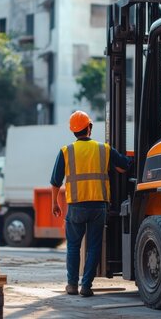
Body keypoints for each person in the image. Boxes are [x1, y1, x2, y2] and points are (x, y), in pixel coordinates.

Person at [50, 110, 130, 297]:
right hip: (98, 205)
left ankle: (71, 285)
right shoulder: (104, 149)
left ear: (73, 131)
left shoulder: (66, 151)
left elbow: (55, 181)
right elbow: (123, 166)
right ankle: (86, 286)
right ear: (89, 127)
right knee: (94, 246)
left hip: (76, 205)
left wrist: (55, 203)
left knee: (73, 246)